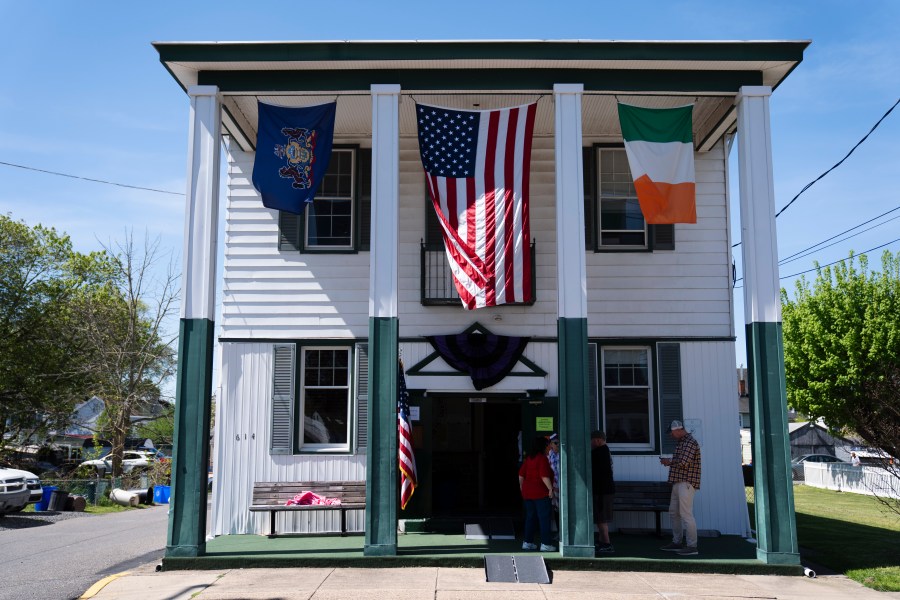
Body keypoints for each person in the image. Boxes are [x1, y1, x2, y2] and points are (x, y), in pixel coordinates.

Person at [659, 420, 701, 556]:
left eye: (671, 433)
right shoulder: (683, 442)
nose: (671, 435)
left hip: (686, 482)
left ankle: (692, 546)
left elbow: (684, 462)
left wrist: (668, 462)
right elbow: (683, 461)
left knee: (686, 514)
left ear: (677, 430)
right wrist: (670, 462)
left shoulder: (689, 442)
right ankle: (677, 542)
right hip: (680, 482)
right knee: (674, 513)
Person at [518, 435, 556, 552]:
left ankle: (527, 542)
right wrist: (550, 489)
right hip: (540, 493)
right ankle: (545, 543)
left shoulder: (529, 458)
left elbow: (521, 475)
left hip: (528, 493)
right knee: (544, 519)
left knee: (530, 518)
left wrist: (522, 488)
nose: (549, 447)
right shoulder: (542, 459)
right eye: (548, 445)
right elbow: (544, 476)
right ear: (543, 446)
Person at [590, 430, 615, 553]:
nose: (590, 443)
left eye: (592, 440)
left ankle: (607, 543)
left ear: (598, 440)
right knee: (600, 518)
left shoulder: (600, 452)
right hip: (604, 490)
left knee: (601, 519)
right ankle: (601, 541)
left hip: (602, 492)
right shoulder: (604, 451)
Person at [546, 433, 561, 533]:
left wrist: (559, 486)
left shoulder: (563, 455)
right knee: (556, 509)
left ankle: (563, 533)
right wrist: (552, 487)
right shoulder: (549, 456)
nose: (557, 445)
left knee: (562, 509)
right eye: (555, 443)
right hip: (553, 487)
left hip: (562, 487)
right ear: (551, 444)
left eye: (559, 443)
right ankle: (559, 532)